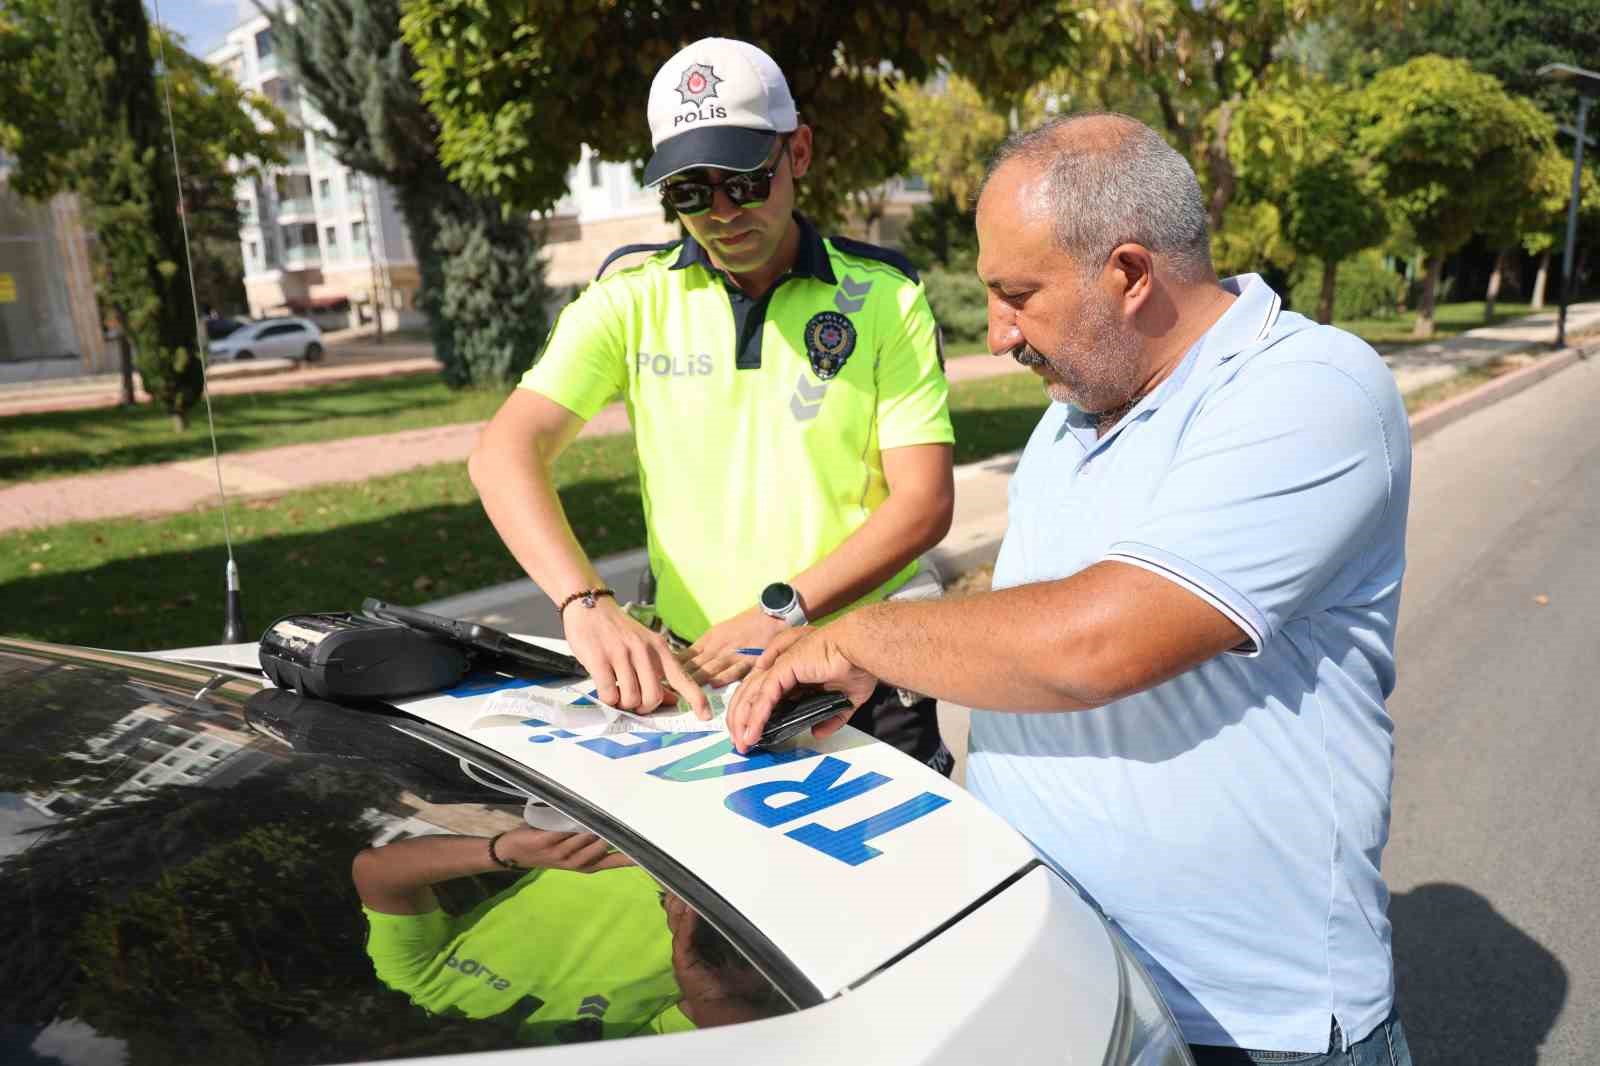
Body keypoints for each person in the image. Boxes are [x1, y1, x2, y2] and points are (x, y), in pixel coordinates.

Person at [727, 112, 1415, 1065]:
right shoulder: (1077, 409)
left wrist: (860, 636)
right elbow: (1032, 615)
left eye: (1018, 295)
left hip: (1250, 1022)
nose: (1000, 332)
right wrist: (891, 658)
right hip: (1071, 985)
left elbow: (1096, 643)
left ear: (1130, 275)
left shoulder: (1310, 390)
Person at [469, 37, 956, 772]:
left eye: (743, 181)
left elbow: (923, 504)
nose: (721, 212)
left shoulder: (885, 294)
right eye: (689, 192)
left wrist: (782, 611)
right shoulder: (629, 297)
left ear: (799, 152)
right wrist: (585, 605)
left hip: (855, 679)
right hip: (695, 682)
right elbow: (504, 453)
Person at [353, 826, 786, 1042]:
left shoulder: (415, 986)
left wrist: (503, 851)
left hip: (628, 824)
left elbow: (377, 872)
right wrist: (709, 991)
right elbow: (739, 1039)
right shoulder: (597, 1052)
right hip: (744, 875)